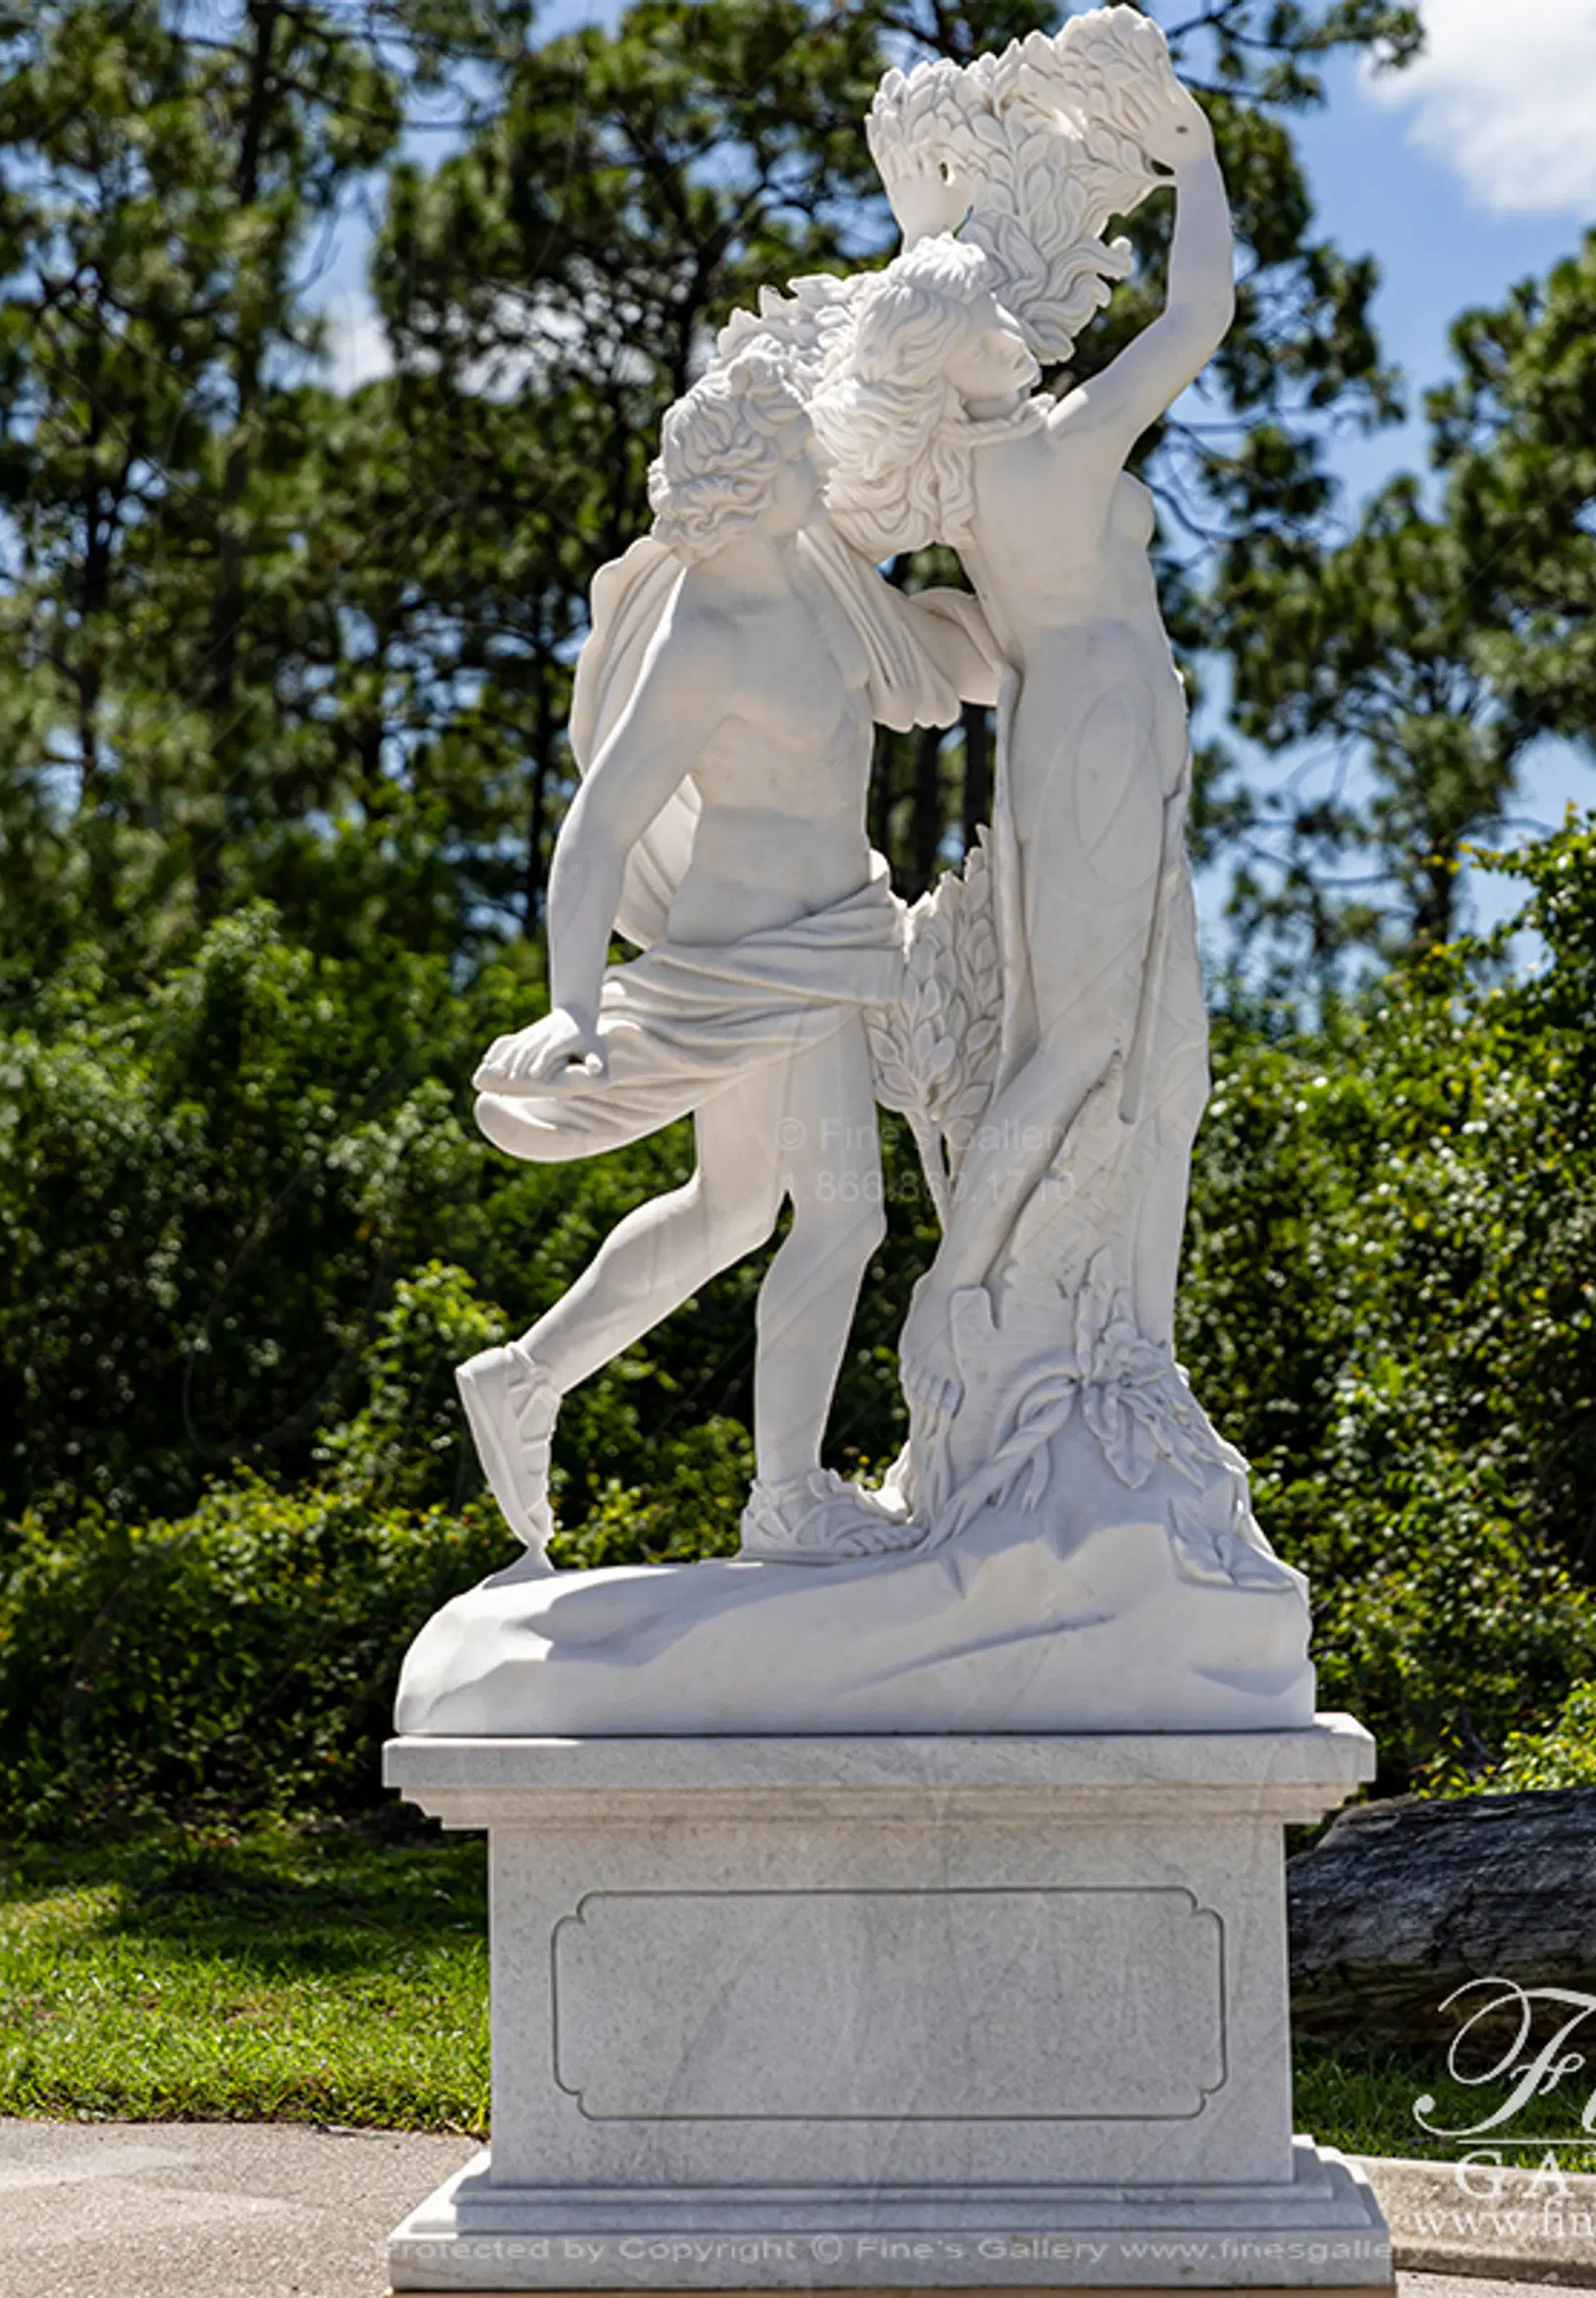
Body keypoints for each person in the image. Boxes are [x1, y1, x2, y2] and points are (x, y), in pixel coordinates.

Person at [456, 348, 992, 1572]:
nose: (819, 465)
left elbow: (928, 659)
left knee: (734, 1208)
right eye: (798, 454)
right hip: (760, 961)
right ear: (749, 483)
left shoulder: (811, 575)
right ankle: (786, 1494)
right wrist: (568, 1006)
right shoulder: (702, 631)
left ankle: (526, 1375)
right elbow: (593, 827)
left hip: (827, 934)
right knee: (841, 1219)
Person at [814, 79, 1231, 1424]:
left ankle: (1109, 1331)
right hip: (1102, 729)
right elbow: (1196, 317)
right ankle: (964, 1293)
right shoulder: (1060, 444)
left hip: (1068, 735)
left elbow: (916, 323)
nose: (1017, 319)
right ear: (970, 362)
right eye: (990, 319)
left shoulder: (961, 472)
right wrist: (1199, 167)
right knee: (1094, 1048)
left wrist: (917, 223)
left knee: (1103, 1046)